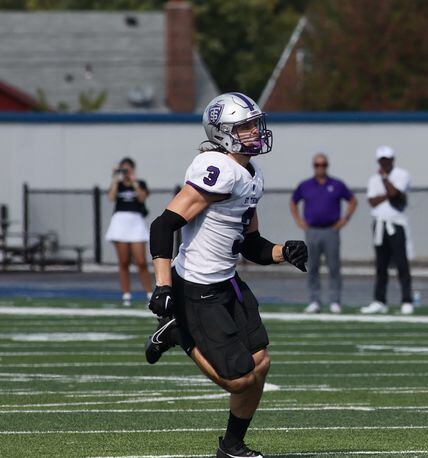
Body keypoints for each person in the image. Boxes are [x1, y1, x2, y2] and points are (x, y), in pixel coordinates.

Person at [142, 92, 308, 458]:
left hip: (229, 281)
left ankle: (231, 446)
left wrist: (283, 252)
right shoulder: (216, 169)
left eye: (254, 123)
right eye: (245, 126)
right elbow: (163, 225)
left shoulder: (251, 173)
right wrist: (163, 284)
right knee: (238, 380)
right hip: (198, 286)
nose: (255, 131)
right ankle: (180, 332)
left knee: (260, 364)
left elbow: (251, 245)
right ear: (223, 132)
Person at [290, 153, 358, 314]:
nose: (320, 167)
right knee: (312, 266)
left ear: (327, 166)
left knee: (334, 267)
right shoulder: (305, 185)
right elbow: (293, 202)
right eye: (317, 165)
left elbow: (352, 201)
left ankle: (335, 301)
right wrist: (299, 221)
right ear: (314, 166)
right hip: (312, 231)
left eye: (323, 164)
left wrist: (344, 220)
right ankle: (315, 300)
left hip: (331, 231)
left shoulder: (336, 184)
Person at [360, 145, 414, 315]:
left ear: (392, 160)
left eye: (387, 159)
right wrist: (388, 194)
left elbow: (394, 193)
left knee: (401, 263)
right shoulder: (372, 179)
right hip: (379, 223)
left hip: (396, 223)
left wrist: (385, 183)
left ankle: (406, 300)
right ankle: (379, 300)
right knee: (381, 265)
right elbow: (373, 201)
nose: (385, 163)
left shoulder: (402, 174)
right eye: (382, 160)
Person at [105, 157, 152, 306]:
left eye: (127, 169)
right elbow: (111, 197)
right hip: (120, 222)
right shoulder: (118, 185)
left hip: (135, 222)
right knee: (124, 261)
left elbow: (142, 198)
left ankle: (150, 293)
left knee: (141, 262)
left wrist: (133, 181)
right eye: (123, 170)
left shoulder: (140, 184)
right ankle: (126, 294)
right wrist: (114, 178)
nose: (125, 173)